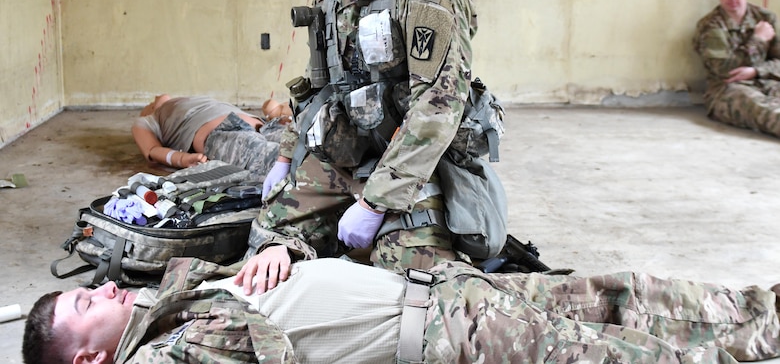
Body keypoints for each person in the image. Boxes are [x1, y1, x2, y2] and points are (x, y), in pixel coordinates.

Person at [248, 0, 481, 284]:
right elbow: (317, 88)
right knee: (267, 237)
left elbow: (437, 109)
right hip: (347, 156)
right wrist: (284, 158)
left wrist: (376, 203)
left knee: (410, 277)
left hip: (410, 165)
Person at [22, 256, 780, 363]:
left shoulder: (169, 308)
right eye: (90, 302)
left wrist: (279, 249)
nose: (109, 289)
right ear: (88, 359)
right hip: (452, 335)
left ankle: (764, 310)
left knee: (625, 294)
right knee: (630, 352)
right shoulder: (162, 357)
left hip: (444, 288)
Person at [693, 0, 780, 138]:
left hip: (766, 80)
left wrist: (756, 71)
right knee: (763, 110)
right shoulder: (711, 26)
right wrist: (758, 39)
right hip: (728, 89)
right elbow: (724, 69)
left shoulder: (766, 18)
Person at [132, 95, 290, 179]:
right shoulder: (148, 120)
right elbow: (152, 150)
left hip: (260, 125)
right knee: (285, 162)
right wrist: (182, 159)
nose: (157, 98)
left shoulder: (191, 100)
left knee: (304, 149)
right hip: (224, 133)